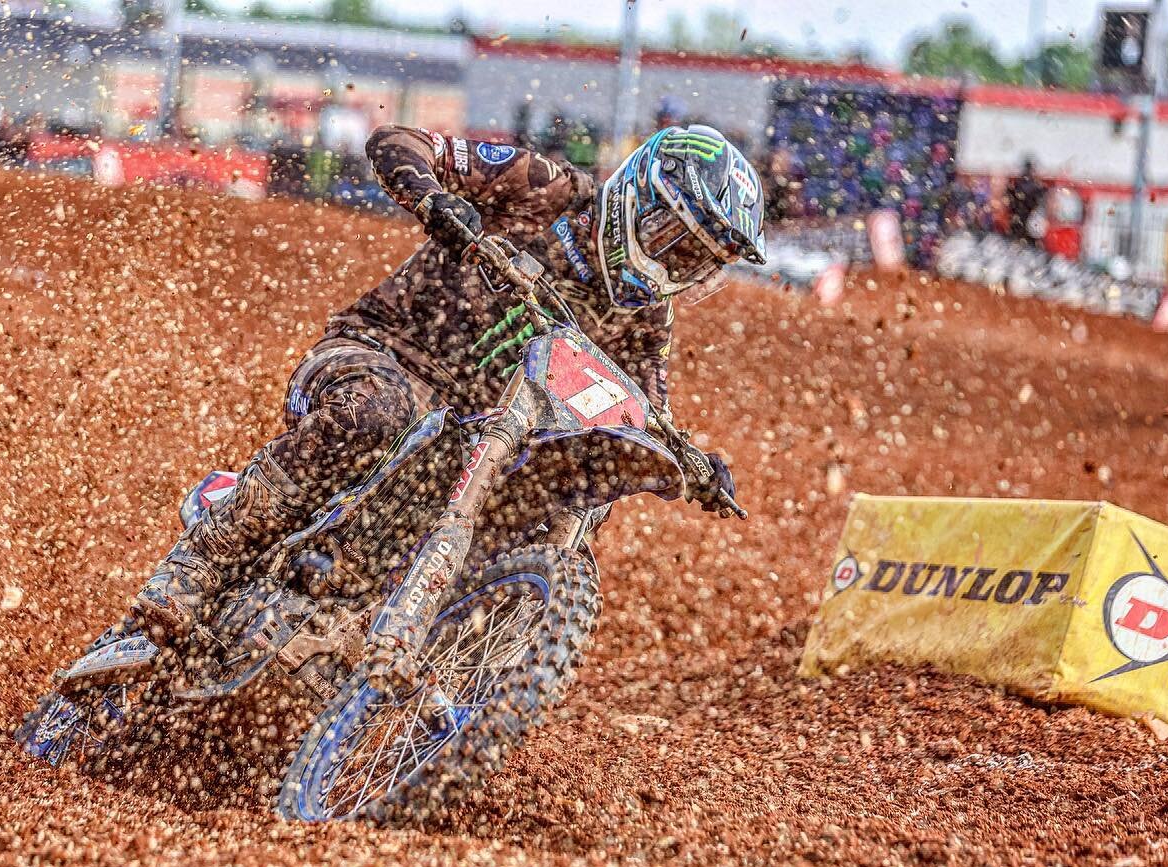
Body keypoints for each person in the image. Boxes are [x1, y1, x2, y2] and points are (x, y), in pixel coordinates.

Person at [128, 123, 768, 645]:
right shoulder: (545, 188)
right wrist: (435, 199)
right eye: (671, 238)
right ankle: (199, 565)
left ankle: (460, 665)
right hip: (381, 352)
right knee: (379, 412)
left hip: (479, 434)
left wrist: (690, 460)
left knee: (578, 491)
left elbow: (644, 411)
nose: (675, 262)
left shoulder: (645, 317)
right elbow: (399, 141)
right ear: (637, 197)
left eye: (696, 258)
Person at [1004, 156, 1047, 246]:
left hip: (1019, 222)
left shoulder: (1017, 185)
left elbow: (1010, 203)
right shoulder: (1036, 187)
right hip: (1028, 223)